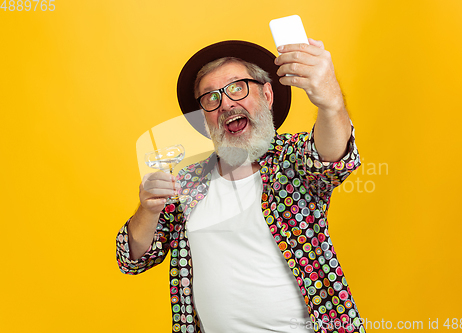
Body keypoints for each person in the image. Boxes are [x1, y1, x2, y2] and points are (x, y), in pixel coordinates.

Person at [116, 39, 365, 333]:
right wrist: (147, 209)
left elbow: (334, 157)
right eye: (210, 98)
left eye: (237, 87)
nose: (225, 104)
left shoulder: (294, 160)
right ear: (204, 116)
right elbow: (131, 259)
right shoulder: (186, 183)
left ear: (267, 93)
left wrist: (331, 101)